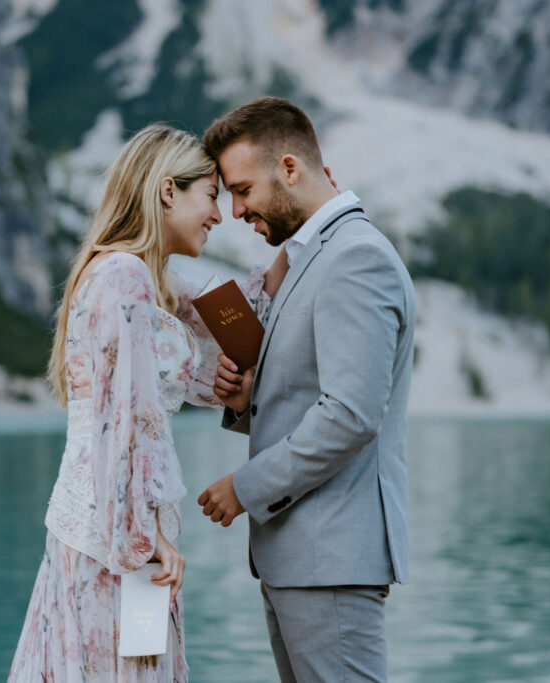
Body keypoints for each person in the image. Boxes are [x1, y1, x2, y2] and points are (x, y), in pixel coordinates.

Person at [7, 125, 287, 682]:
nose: (219, 214)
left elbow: (238, 310)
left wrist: (301, 228)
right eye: (210, 195)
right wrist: (144, 540)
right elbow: (123, 423)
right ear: (166, 192)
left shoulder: (146, 279)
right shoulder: (124, 277)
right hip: (114, 533)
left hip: (106, 525)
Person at [196, 97, 417, 683]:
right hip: (301, 558)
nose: (237, 209)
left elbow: (349, 414)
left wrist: (244, 487)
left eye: (242, 190)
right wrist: (248, 403)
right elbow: (312, 393)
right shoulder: (313, 256)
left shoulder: (355, 257)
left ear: (289, 169)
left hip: (331, 559)